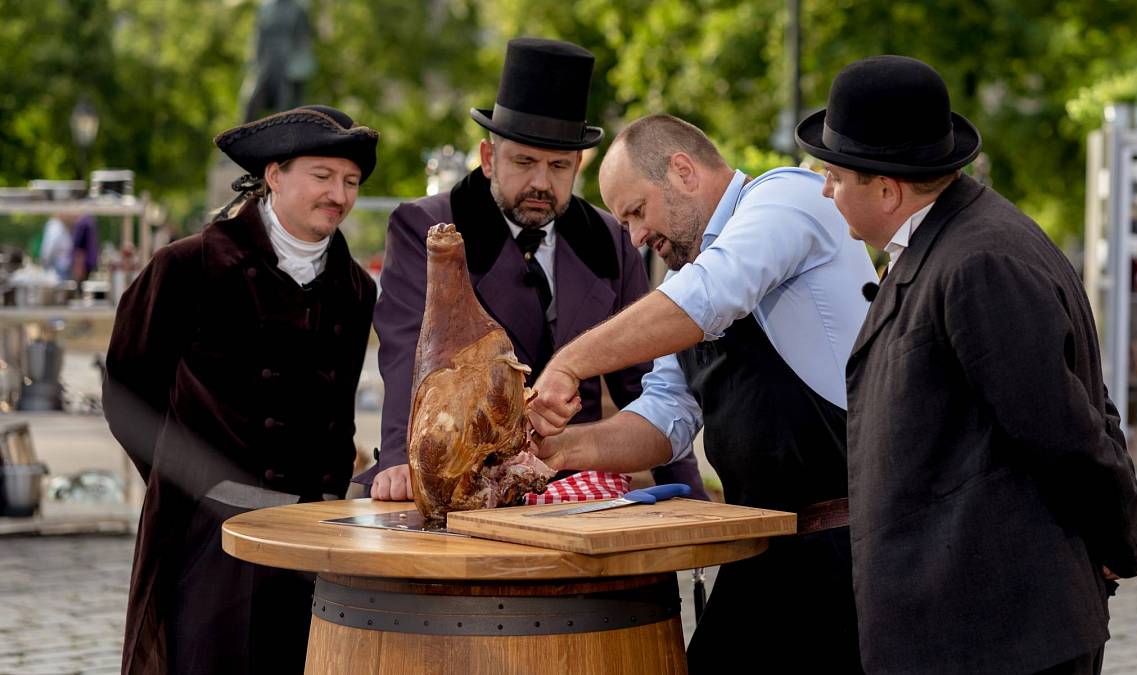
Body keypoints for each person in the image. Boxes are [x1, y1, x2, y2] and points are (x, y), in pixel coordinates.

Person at [796, 55, 1137, 674]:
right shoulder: (962, 235)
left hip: (995, 634)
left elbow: (1063, 427)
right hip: (979, 626)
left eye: (835, 176)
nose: (825, 190)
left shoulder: (978, 262)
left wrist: (1124, 533)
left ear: (887, 190)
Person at [527, 113, 878, 672]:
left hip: (849, 554)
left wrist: (570, 362)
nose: (637, 237)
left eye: (637, 212)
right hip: (760, 551)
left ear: (683, 171)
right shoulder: (682, 288)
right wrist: (560, 451)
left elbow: (716, 292)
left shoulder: (789, 196)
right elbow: (666, 416)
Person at [359, 38, 705, 502]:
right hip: (462, 477)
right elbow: (408, 349)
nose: (542, 183)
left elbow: (646, 376)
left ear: (578, 165)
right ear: (488, 158)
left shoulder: (611, 238)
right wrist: (403, 460)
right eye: (524, 162)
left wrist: (684, 491)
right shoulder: (428, 228)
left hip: (573, 479)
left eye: (559, 166)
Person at [103, 105, 378, 675]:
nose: (340, 195)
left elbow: (339, 412)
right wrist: (190, 486)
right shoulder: (188, 266)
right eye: (323, 176)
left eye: (350, 182)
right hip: (211, 536)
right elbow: (128, 391)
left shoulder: (354, 288)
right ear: (274, 175)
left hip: (311, 535)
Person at [38, 214, 73, 280]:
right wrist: (45, 261)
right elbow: (49, 246)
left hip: (61, 265)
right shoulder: (55, 226)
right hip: (57, 265)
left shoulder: (59, 225)